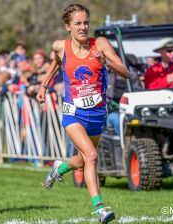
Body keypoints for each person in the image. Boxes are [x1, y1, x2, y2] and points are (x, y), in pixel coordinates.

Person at [35, 4, 129, 223]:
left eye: (86, 22)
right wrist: (43, 86)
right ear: (68, 26)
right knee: (92, 156)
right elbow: (55, 65)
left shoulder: (101, 44)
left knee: (81, 161)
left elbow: (125, 72)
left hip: (97, 114)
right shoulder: (60, 46)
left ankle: (61, 167)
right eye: (77, 23)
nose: (83, 27)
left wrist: (105, 62)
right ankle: (100, 209)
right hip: (73, 114)